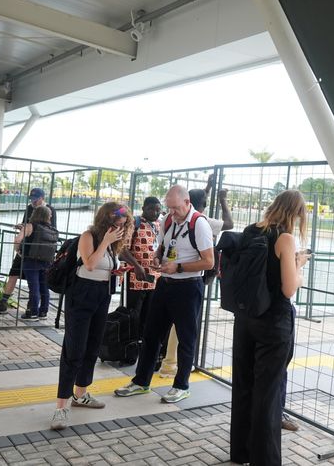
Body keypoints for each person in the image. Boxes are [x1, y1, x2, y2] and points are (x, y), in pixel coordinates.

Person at [230, 190, 309, 466]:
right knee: (268, 392)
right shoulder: (285, 238)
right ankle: (265, 460)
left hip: (245, 318)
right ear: (297, 213)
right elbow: (288, 288)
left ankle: (240, 452)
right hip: (273, 322)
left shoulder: (251, 230)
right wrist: (298, 267)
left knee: (243, 385)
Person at [114, 185, 214, 403]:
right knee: (151, 334)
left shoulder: (199, 224)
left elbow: (209, 261)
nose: (171, 212)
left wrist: (178, 267)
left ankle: (181, 385)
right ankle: (141, 381)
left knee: (186, 338)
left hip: (188, 286)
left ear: (188, 203)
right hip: (165, 284)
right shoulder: (169, 221)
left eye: (175, 208)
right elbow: (162, 246)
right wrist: (157, 258)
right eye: (168, 208)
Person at [50, 202, 133, 430]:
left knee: (92, 347)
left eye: (123, 223)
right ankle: (61, 407)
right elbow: (88, 265)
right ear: (105, 220)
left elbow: (101, 267)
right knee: (73, 350)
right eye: (116, 222)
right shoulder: (89, 236)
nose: (120, 226)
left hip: (101, 296)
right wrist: (106, 241)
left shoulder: (112, 244)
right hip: (81, 295)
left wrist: (116, 270)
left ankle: (81, 394)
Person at [159, 176, 234, 377]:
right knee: (184, 327)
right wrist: (223, 200)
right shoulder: (203, 221)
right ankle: (170, 363)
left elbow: (198, 197)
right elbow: (229, 223)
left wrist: (208, 187)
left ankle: (169, 362)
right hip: (191, 278)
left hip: (183, 275)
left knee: (180, 326)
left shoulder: (189, 220)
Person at [0, 187, 57, 314]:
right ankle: (4, 302)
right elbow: (27, 224)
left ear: (42, 198)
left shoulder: (50, 210)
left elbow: (51, 229)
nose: (33, 202)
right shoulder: (29, 208)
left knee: (35, 281)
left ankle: (32, 306)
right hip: (26, 247)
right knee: (14, 273)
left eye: (36, 199)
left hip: (38, 251)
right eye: (32, 199)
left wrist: (27, 230)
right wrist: (23, 227)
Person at [125, 197, 162, 339]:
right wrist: (136, 265)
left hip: (154, 278)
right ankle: (131, 343)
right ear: (143, 208)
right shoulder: (135, 223)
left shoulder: (159, 224)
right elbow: (123, 249)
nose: (155, 212)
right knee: (134, 313)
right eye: (151, 209)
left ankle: (143, 344)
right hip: (136, 277)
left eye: (158, 209)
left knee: (150, 314)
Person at [14, 206, 59, 321]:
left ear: (35, 214)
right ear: (48, 216)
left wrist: (18, 251)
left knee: (34, 287)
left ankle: (33, 312)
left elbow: (18, 240)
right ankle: (43, 312)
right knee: (44, 287)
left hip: (31, 261)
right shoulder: (52, 229)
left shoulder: (30, 226)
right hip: (47, 262)